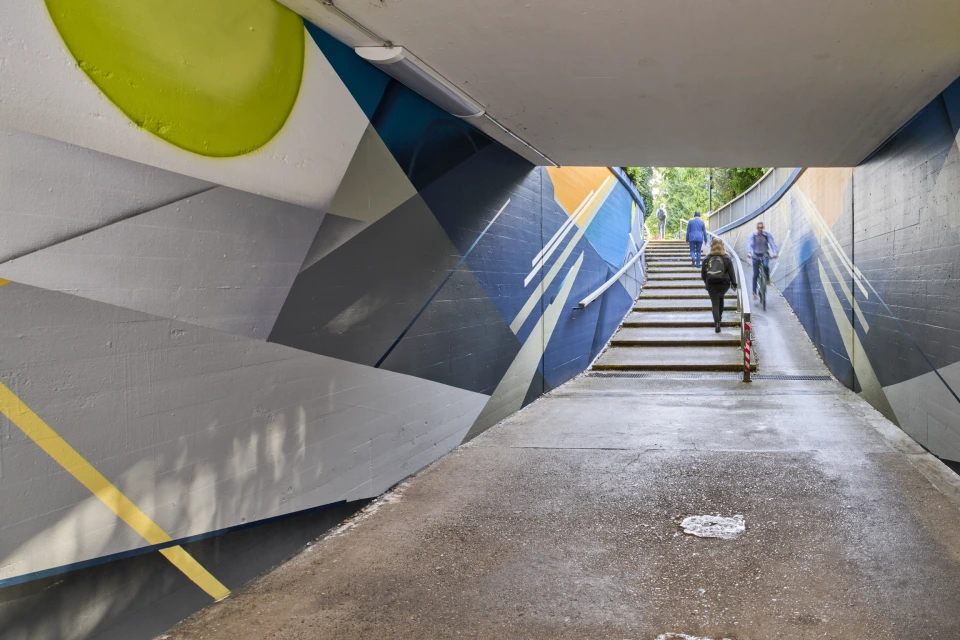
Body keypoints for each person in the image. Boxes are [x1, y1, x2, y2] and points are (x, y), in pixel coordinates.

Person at [702, 238, 738, 333]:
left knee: (715, 303)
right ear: (722, 245)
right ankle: (720, 316)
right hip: (724, 284)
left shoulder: (706, 258)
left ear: (711, 245)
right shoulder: (726, 258)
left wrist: (707, 283)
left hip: (711, 284)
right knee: (721, 298)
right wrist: (734, 284)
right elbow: (731, 273)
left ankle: (717, 324)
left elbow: (703, 274)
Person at [746, 221, 779, 300]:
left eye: (762, 228)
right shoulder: (753, 235)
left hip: (764, 255)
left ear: (763, 228)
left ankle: (767, 277)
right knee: (756, 274)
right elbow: (749, 244)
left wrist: (775, 253)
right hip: (756, 256)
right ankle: (754, 292)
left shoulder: (767, 235)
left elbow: (772, 244)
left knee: (766, 265)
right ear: (757, 228)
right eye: (759, 228)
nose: (760, 229)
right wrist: (749, 253)